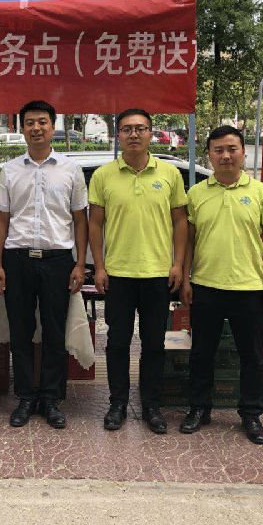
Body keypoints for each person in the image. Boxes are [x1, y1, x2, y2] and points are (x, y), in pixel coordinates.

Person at [179, 125, 263, 445]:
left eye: (232, 149)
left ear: (243, 153)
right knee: (201, 353)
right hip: (205, 285)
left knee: (252, 356)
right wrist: (185, 277)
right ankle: (199, 408)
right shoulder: (196, 194)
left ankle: (251, 414)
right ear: (209, 155)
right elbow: (188, 241)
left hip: (249, 288)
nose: (225, 155)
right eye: (219, 150)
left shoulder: (261, 192)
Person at [88, 108, 188, 433]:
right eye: (127, 129)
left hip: (158, 274)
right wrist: (99, 266)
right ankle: (117, 404)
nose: (134, 134)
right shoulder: (103, 175)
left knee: (154, 344)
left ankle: (151, 406)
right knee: (117, 342)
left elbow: (180, 221)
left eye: (140, 128)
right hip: (118, 274)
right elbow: (95, 224)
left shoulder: (170, 174)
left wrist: (177, 264)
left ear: (150, 133)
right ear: (118, 135)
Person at [0, 100, 88, 429]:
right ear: (22, 128)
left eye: (42, 122)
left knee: (54, 332)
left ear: (52, 126)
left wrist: (79, 264)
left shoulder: (70, 169)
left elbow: (80, 219)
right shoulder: (9, 170)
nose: (36, 128)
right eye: (30, 123)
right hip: (18, 259)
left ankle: (50, 398)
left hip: (58, 261)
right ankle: (24, 397)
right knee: (20, 332)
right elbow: (2, 220)